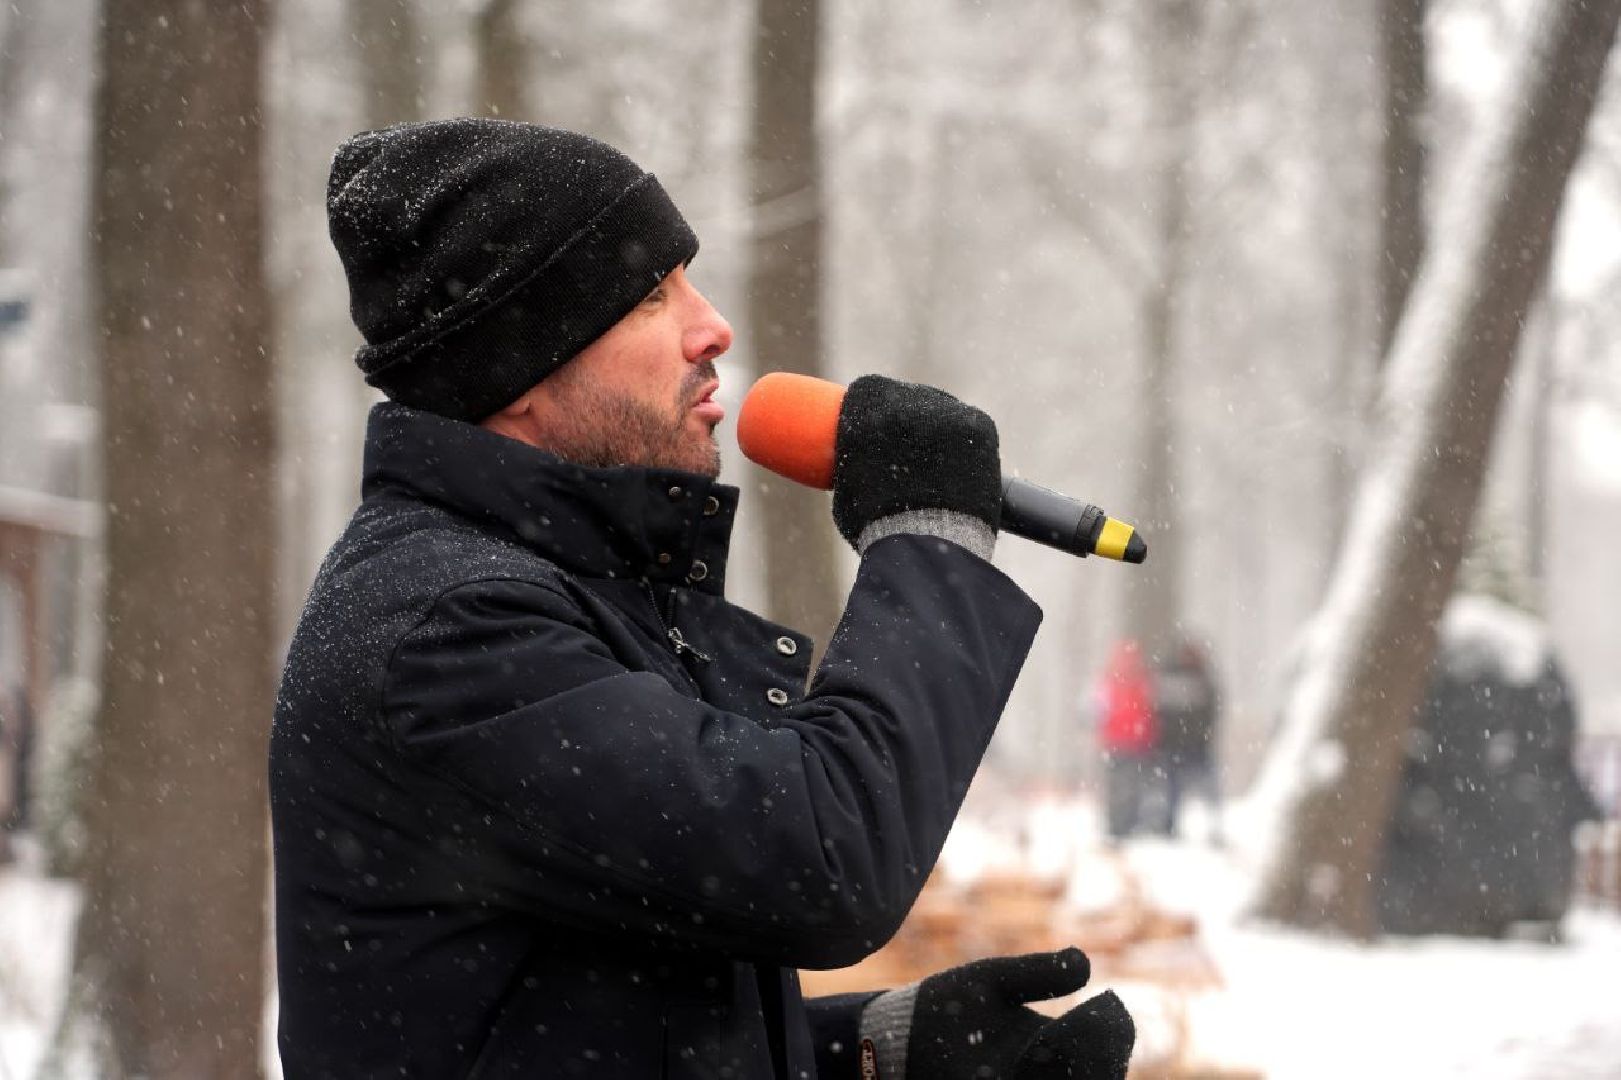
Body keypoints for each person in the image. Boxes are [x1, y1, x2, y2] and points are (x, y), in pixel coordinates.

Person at [270, 118, 1133, 1080]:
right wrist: (927, 536)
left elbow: (583, 1035)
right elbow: (823, 858)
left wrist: (876, 1049)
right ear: (514, 367)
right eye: (650, 295)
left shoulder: (551, 595)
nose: (711, 325)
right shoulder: (446, 633)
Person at [1151, 635, 1221, 841]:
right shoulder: (1169, 675)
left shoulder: (1203, 677)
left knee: (1209, 790)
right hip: (1173, 746)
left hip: (1198, 745)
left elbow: (1213, 710)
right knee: (1172, 790)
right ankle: (1169, 825)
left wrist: (1204, 734)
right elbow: (1157, 709)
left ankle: (1214, 827)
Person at [1093, 639, 1157, 841]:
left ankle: (1117, 825)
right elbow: (1149, 712)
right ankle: (1124, 824)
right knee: (1129, 786)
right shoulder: (1141, 681)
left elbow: (1099, 709)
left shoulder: (1111, 681)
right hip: (1131, 743)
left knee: (1120, 786)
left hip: (1118, 742)